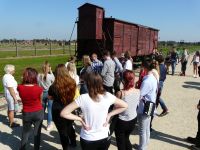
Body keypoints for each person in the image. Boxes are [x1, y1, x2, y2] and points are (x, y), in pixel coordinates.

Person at [60, 72, 128, 150]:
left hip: (88, 138)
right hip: (104, 137)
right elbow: (125, 105)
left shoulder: (83, 98)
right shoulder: (107, 96)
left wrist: (80, 119)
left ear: (88, 84)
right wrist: (110, 114)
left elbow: (63, 113)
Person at [48, 64, 77, 149]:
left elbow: (50, 97)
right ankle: (73, 142)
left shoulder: (53, 86)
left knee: (62, 131)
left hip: (58, 110)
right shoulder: (72, 82)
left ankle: (66, 147)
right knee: (70, 126)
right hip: (70, 108)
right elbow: (74, 93)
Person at [18, 68, 44, 150]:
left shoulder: (20, 87)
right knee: (37, 133)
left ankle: (22, 148)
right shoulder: (39, 89)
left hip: (27, 112)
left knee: (25, 132)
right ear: (34, 77)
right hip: (38, 112)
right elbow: (41, 100)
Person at [115, 70, 140, 150]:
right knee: (126, 138)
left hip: (122, 121)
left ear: (123, 80)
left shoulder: (120, 93)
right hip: (133, 119)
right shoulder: (138, 91)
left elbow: (115, 108)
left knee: (121, 142)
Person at [137, 60, 158, 150]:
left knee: (142, 129)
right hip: (150, 105)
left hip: (144, 107)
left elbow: (140, 94)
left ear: (144, 68)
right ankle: (145, 144)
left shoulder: (147, 81)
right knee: (146, 128)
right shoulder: (153, 78)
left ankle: (142, 147)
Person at [38, 61, 55, 131]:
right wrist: (51, 72)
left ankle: (39, 123)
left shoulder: (38, 75)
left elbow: (38, 84)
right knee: (50, 110)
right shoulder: (50, 76)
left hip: (42, 93)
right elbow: (54, 82)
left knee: (42, 109)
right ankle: (49, 125)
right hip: (49, 93)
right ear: (48, 68)